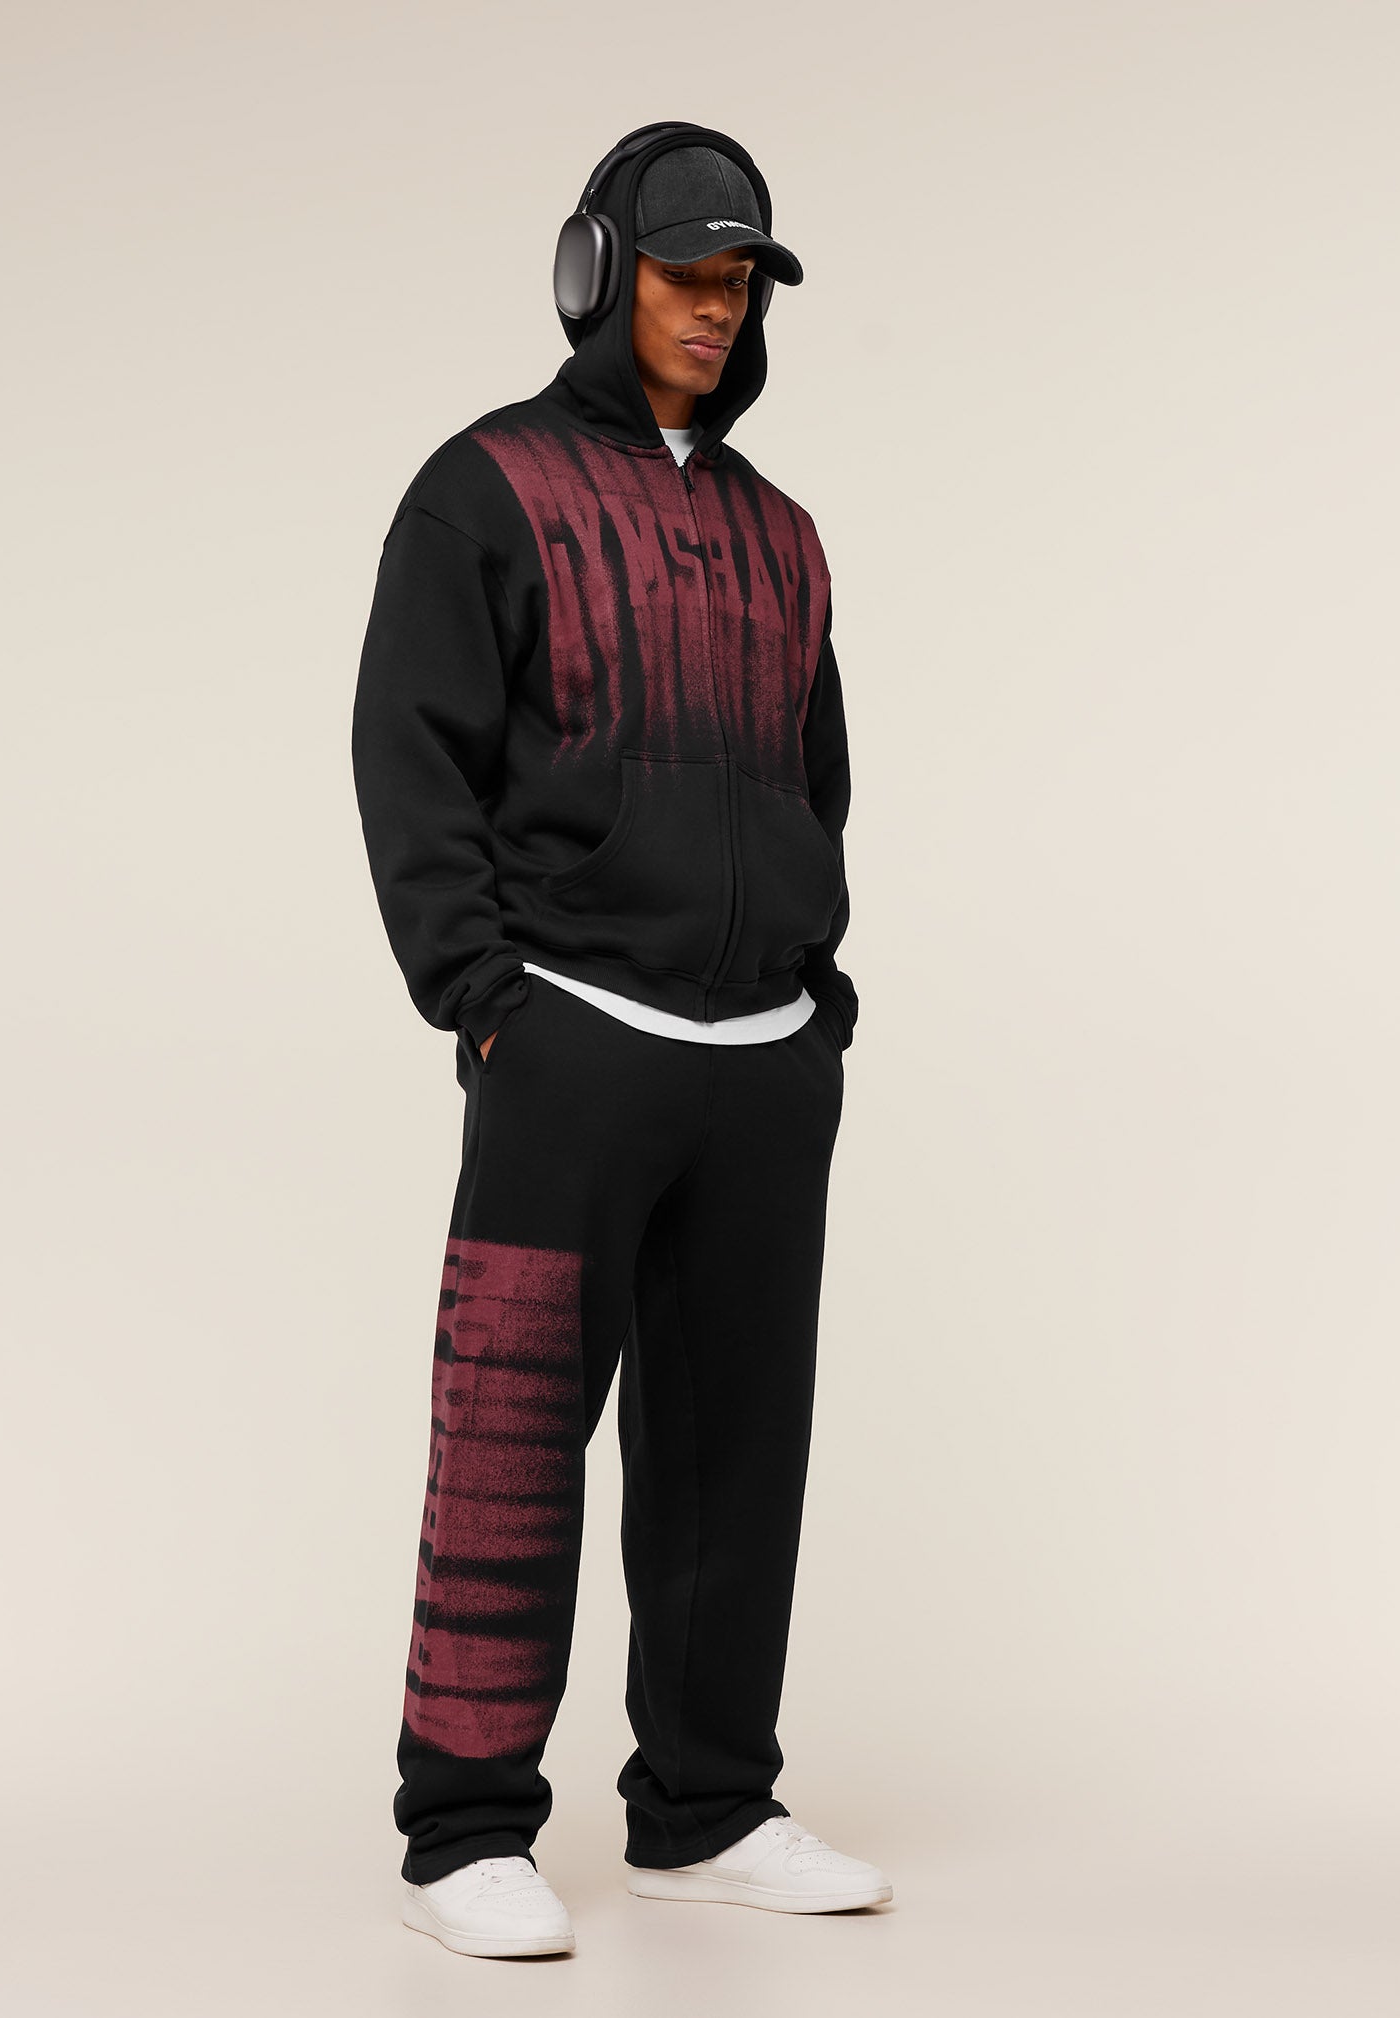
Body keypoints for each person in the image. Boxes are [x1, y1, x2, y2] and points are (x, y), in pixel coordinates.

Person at [352, 121, 888, 1959]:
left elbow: (815, 780)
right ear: (597, 274)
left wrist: (821, 999)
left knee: (741, 1445)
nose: (712, 309)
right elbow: (411, 756)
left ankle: (708, 1804)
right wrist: (482, 998)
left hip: (764, 1058)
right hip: (570, 1034)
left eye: (738, 281)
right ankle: (462, 1830)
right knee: (511, 1424)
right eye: (681, 275)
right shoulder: (484, 490)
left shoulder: (784, 533)